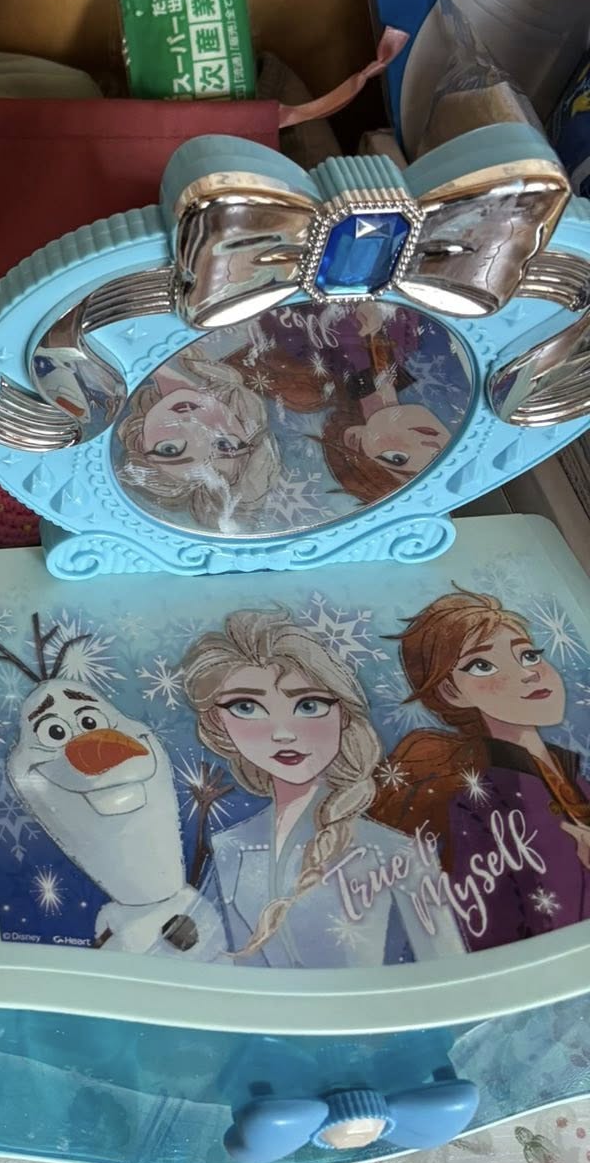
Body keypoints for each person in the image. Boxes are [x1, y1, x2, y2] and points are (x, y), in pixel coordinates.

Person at [181, 609, 464, 966]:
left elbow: (449, 970)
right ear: (218, 723)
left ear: (343, 713)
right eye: (247, 707)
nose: (283, 732)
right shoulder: (229, 847)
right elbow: (201, 961)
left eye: (308, 705)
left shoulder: (396, 853)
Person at [373, 590, 590, 947]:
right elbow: (495, 931)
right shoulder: (482, 802)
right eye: (483, 665)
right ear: (451, 692)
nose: (527, 674)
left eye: (529, 655)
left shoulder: (574, 777)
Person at [251, 300, 454, 506]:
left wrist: (350, 314)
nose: (430, 446)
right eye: (437, 458)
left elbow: (274, 312)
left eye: (398, 459)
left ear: (353, 439)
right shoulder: (407, 341)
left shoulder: (313, 365)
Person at [113, 351, 282, 532]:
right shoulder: (234, 353)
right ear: (244, 428)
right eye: (222, 444)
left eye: (170, 449)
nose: (191, 426)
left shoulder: (115, 381)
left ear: (141, 443)